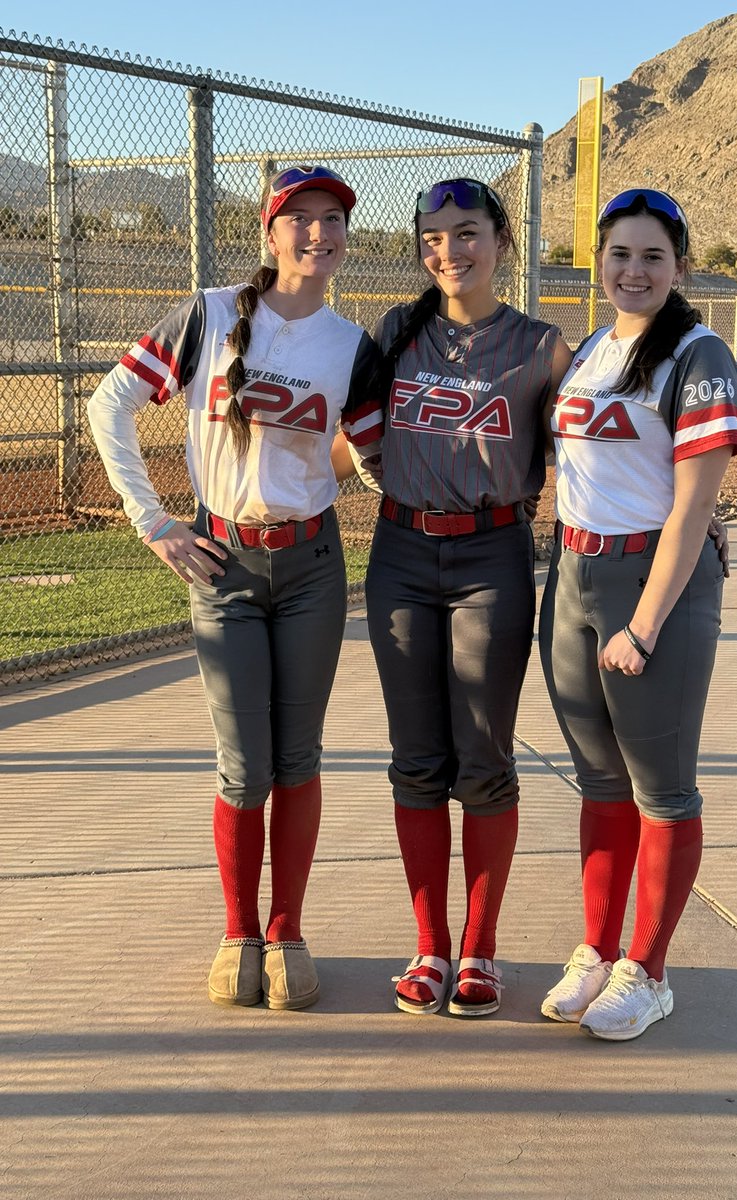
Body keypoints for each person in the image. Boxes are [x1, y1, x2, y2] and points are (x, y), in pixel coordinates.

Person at [88, 165, 382, 1010]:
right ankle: (238, 932)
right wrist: (153, 522)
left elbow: (376, 456)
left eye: (333, 218)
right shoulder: (210, 315)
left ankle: (286, 933)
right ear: (269, 229)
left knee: (297, 759)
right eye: (301, 218)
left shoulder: (351, 346)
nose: (318, 233)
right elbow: (110, 403)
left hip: (313, 565)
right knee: (244, 766)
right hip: (223, 564)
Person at [362, 178, 573, 1017]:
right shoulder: (396, 332)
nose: (449, 251)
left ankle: (481, 951)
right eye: (433, 238)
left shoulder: (541, 346)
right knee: (416, 759)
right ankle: (430, 948)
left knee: (483, 760)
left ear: (502, 240)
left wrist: (695, 518)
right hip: (400, 552)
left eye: (467, 233)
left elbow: (598, 449)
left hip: (492, 554)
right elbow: (349, 432)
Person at [538, 187, 737, 1040]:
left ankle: (648, 971)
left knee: (661, 789)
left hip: (652, 585)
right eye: (619, 254)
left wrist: (646, 623)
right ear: (599, 263)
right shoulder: (592, 348)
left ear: (680, 267)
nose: (634, 270)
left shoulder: (698, 353)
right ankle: (597, 950)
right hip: (573, 575)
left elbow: (694, 507)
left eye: (653, 256)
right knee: (599, 781)